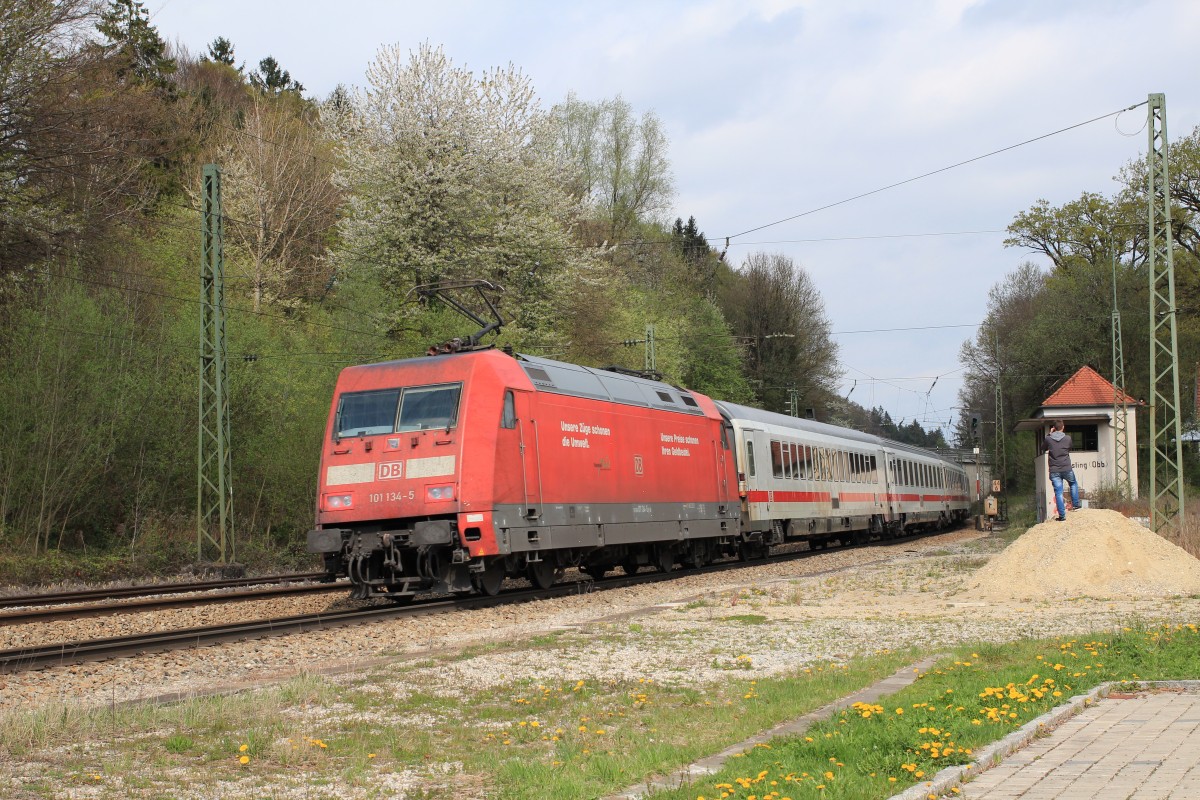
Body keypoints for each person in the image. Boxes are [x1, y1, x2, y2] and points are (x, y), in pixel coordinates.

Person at [1044, 419, 1080, 521]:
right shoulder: (1068, 438)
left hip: (1054, 470)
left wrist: (1049, 434)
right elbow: (1070, 448)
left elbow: (1043, 447)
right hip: (1066, 467)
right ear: (1063, 427)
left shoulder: (1049, 439)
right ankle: (1076, 505)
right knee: (1073, 483)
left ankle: (1062, 516)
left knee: (1058, 492)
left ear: (1054, 428)